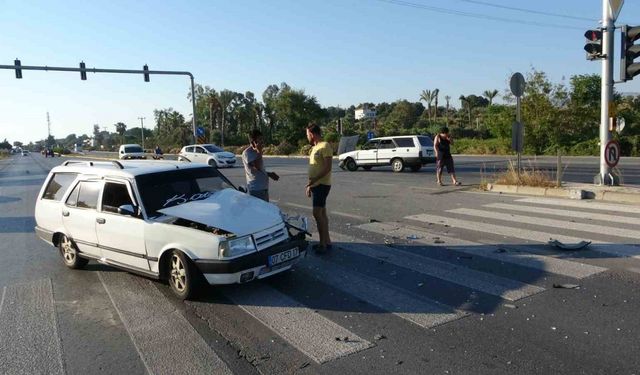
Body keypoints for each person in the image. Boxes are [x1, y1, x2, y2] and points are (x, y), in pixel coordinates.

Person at [305, 123, 333, 253]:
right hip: (316, 185)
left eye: (307, 134)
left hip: (322, 185)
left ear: (312, 133)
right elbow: (314, 168)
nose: (307, 137)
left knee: (317, 213)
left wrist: (315, 180)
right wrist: (310, 185)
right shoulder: (314, 148)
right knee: (322, 213)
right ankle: (327, 241)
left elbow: (327, 167)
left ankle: (322, 244)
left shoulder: (325, 146)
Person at [242, 129, 279, 202]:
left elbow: (259, 170)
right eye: (260, 139)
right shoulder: (247, 153)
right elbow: (257, 167)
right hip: (256, 190)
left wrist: (268, 174)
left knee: (265, 211)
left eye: (262, 139)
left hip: (263, 188)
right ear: (253, 142)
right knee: (261, 211)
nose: (262, 141)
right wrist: (259, 151)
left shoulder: (257, 151)